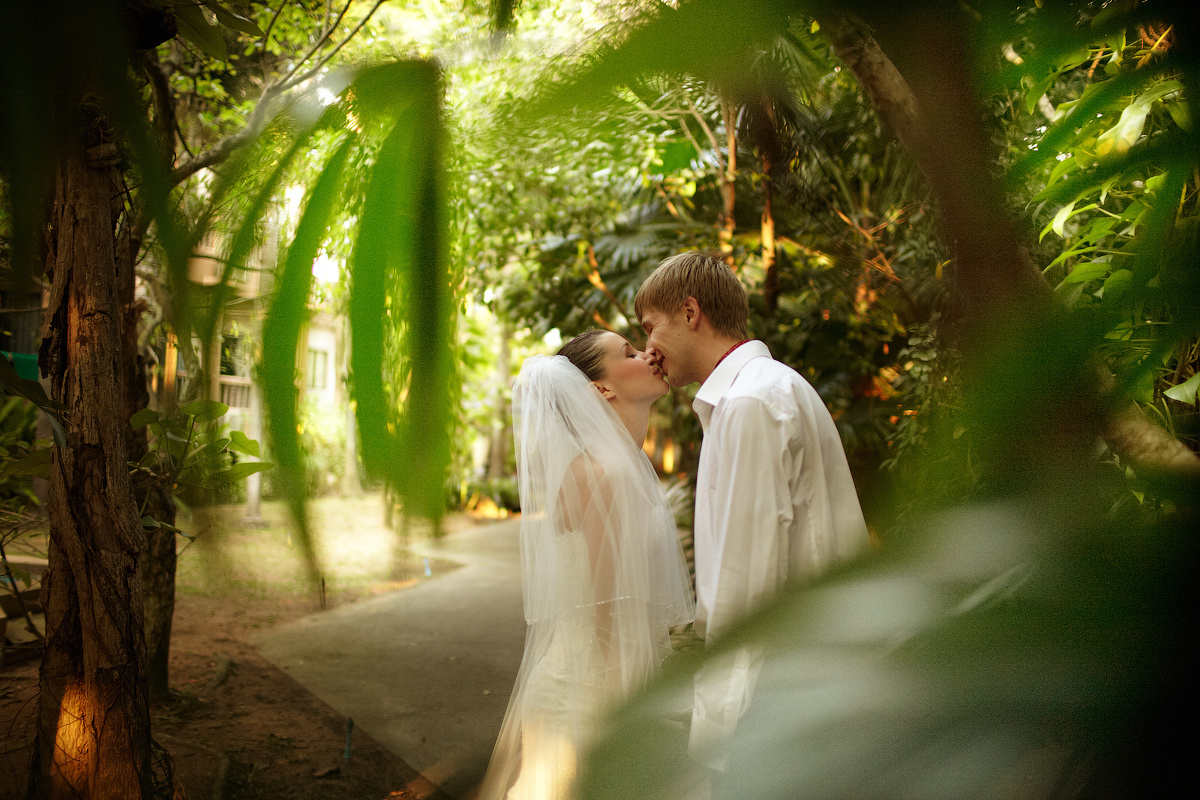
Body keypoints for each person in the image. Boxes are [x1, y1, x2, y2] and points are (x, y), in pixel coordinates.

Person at [635, 251, 869, 769]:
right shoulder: (769, 388)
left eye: (651, 328)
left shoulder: (749, 404)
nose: (648, 349)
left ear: (690, 313)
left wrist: (720, 732)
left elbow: (746, 585)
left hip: (775, 708)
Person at [478, 330, 695, 800]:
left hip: (586, 678)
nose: (648, 354)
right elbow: (606, 612)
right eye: (630, 353)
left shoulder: (609, 465)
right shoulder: (605, 474)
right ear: (602, 389)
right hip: (589, 694)